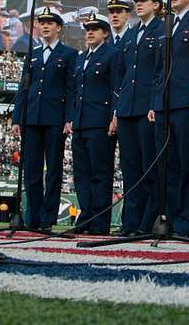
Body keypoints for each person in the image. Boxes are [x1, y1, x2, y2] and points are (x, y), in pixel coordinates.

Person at [149, 0, 189, 237]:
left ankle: (187, 224)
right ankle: (168, 219)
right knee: (167, 166)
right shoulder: (166, 24)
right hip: (164, 104)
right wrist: (154, 101)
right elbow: (160, 69)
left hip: (187, 102)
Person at [12, 6, 77, 231]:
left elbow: (71, 89)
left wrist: (69, 118)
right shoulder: (33, 54)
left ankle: (48, 218)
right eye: (42, 23)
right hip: (31, 118)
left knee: (54, 171)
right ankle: (33, 217)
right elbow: (24, 88)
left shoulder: (69, 54)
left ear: (59, 28)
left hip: (55, 119)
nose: (45, 26)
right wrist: (16, 118)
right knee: (31, 170)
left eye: (50, 23)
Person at [111, 0, 165, 235]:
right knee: (130, 169)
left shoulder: (161, 29)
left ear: (156, 5)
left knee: (148, 168)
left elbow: (160, 72)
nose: (139, 3)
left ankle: (147, 221)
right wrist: (117, 110)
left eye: (145, 0)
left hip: (147, 108)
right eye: (138, 0)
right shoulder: (131, 34)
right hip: (127, 108)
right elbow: (122, 76)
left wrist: (155, 103)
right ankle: (130, 222)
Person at [70, 13, 122, 234]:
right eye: (87, 29)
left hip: (100, 122)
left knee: (100, 173)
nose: (89, 32)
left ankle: (100, 223)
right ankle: (85, 219)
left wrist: (114, 116)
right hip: (81, 122)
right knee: (81, 174)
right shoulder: (82, 58)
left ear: (105, 33)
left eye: (95, 28)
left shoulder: (112, 54)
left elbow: (116, 88)